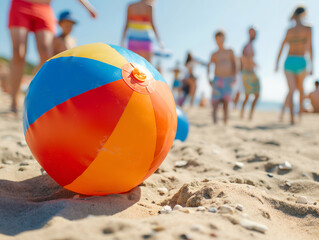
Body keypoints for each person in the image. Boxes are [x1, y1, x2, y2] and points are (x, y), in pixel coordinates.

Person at [7, 0, 97, 113]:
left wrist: (88, 8)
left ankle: (34, 93)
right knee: (18, 53)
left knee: (46, 55)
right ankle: (14, 100)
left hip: (44, 8)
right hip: (21, 4)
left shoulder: (72, 40)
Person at [276, 6, 313, 124]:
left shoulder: (289, 30)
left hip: (289, 61)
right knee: (300, 89)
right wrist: (312, 64)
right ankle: (299, 117)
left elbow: (281, 47)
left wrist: (277, 63)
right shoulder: (308, 28)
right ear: (303, 14)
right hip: (301, 61)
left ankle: (291, 118)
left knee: (291, 90)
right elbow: (310, 47)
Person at [207, 31, 236, 124]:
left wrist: (235, 76)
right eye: (217, 39)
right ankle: (214, 122)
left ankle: (225, 122)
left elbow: (235, 64)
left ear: (224, 39)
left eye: (221, 38)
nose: (219, 40)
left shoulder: (230, 51)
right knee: (215, 102)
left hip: (228, 79)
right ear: (215, 40)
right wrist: (208, 78)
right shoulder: (214, 54)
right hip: (217, 79)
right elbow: (208, 66)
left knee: (226, 102)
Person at [240, 26, 260, 120]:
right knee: (251, 95)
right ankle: (245, 114)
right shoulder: (248, 45)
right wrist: (253, 63)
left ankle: (247, 114)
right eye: (252, 32)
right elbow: (243, 58)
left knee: (252, 95)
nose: (254, 34)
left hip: (250, 72)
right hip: (248, 73)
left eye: (255, 32)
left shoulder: (250, 45)